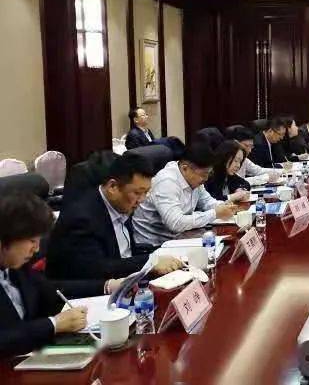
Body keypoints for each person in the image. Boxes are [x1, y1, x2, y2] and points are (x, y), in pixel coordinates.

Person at [0, 193, 123, 357]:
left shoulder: (16, 267)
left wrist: (107, 286)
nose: (36, 249)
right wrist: (53, 324)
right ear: (5, 239)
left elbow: (51, 289)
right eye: (32, 241)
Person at [47, 154, 183, 280]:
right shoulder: (82, 219)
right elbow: (97, 270)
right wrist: (150, 262)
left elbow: (126, 253)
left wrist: (161, 254)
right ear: (113, 187)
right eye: (137, 193)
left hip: (126, 279)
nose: (142, 200)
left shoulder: (122, 203)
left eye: (146, 192)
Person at [132, 143, 238, 246]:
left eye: (208, 174)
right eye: (203, 174)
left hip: (182, 238)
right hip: (155, 245)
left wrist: (225, 207)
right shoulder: (167, 181)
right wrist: (214, 214)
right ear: (185, 168)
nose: (206, 179)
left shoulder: (195, 180)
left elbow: (207, 202)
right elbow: (175, 223)